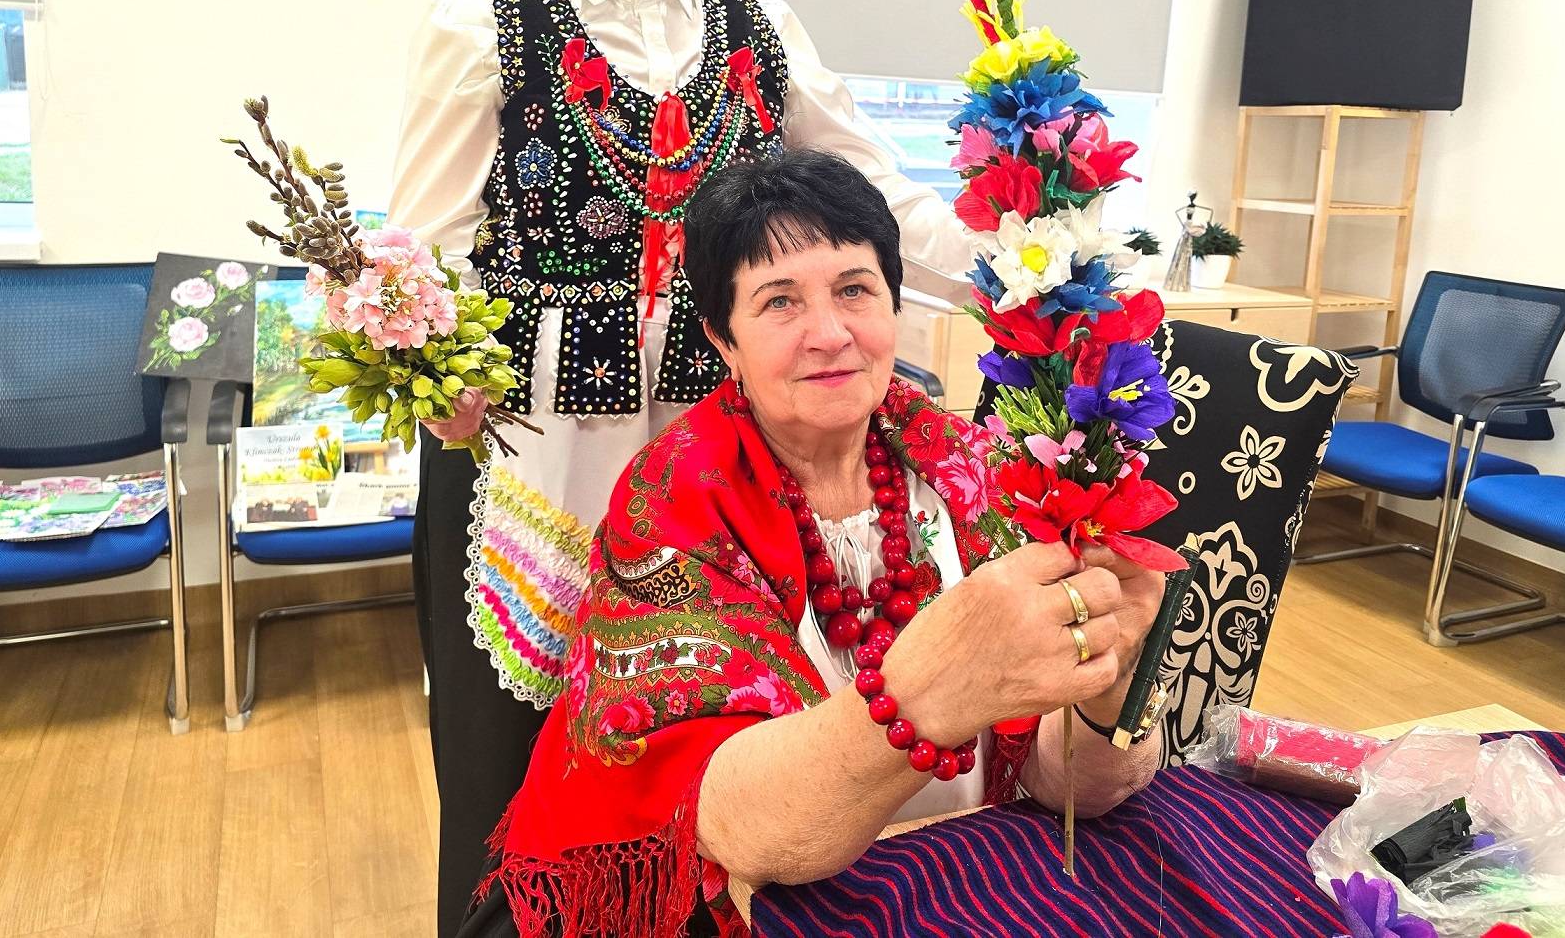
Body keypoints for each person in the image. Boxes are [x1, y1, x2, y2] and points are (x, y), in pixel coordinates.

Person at [386, 0, 976, 933]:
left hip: (720, 460)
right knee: (511, 783)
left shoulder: (761, 20)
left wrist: (1021, 277)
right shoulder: (480, 17)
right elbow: (420, 254)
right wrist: (439, 378)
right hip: (534, 463)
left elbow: (871, 201)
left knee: (705, 756)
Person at [471, 151, 1167, 938]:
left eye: (855, 290)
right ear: (723, 338)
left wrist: (1108, 681)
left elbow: (1062, 788)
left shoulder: (976, 475)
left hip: (962, 884)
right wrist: (934, 689)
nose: (830, 334)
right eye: (779, 301)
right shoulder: (670, 508)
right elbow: (744, 836)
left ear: (894, 306)